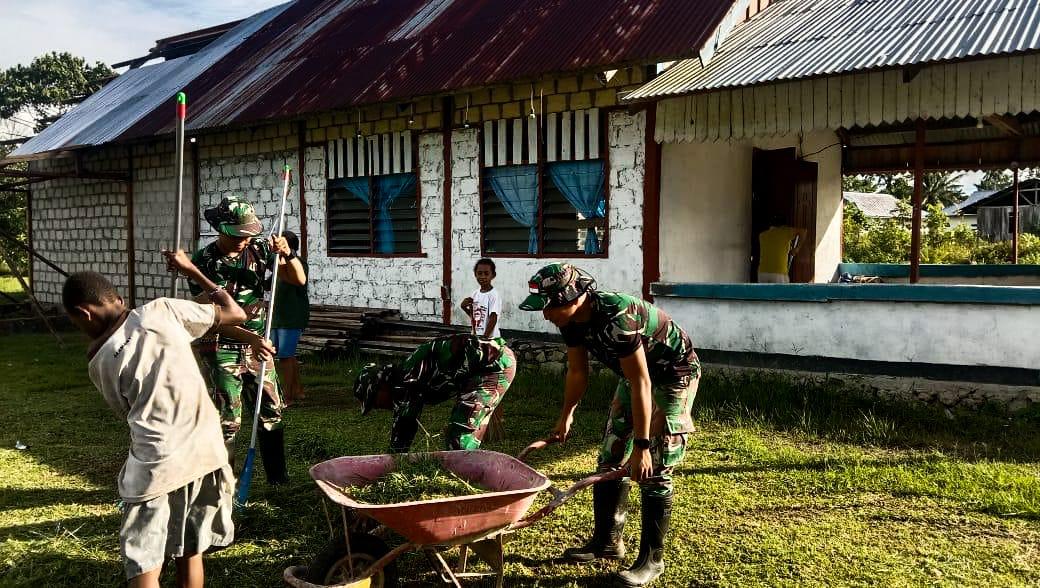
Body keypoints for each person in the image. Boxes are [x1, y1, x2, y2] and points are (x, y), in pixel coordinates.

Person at [61, 250, 245, 588]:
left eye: (76, 323)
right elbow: (236, 313)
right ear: (118, 298)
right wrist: (192, 271)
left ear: (85, 314)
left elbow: (125, 412)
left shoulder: (99, 360)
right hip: (207, 453)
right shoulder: (163, 310)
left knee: (143, 564)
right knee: (190, 551)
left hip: (157, 467)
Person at [519, 263, 700, 588]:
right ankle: (607, 543)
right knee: (610, 455)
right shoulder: (570, 320)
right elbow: (578, 371)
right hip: (635, 377)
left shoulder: (617, 317)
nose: (546, 315)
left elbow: (643, 383)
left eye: (550, 306)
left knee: (655, 468)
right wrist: (566, 415)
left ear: (574, 297)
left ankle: (652, 560)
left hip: (673, 375)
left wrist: (642, 446)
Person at [190, 196, 306, 485]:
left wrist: (288, 254)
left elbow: (298, 280)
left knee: (271, 412)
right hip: (220, 346)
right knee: (227, 420)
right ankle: (222, 484)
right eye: (238, 235)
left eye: (248, 234)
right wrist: (251, 339)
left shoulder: (260, 249)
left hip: (258, 347)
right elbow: (210, 315)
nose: (244, 240)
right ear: (220, 229)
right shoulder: (202, 262)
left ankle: (278, 479)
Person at [353, 334, 516, 453]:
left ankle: (463, 477)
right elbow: (404, 423)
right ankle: (464, 469)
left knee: (459, 434)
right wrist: (394, 459)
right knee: (460, 427)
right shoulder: (402, 383)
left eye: (374, 401)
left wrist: (393, 460)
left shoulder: (408, 377)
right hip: (477, 371)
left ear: (380, 387)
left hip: (493, 366)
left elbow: (404, 425)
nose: (377, 406)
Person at [271, 230, 309, 407]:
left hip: (292, 316)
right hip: (277, 317)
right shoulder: (278, 264)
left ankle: (287, 396)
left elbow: (296, 280)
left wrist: (281, 262)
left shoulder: (298, 263)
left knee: (285, 356)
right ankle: (298, 390)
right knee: (287, 356)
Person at [461, 258, 502, 340]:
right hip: (477, 336)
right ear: (475, 274)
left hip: (491, 338)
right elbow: (475, 317)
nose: (483, 277)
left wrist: (485, 337)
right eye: (479, 273)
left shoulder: (494, 295)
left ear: (493, 275)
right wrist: (464, 307)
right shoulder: (475, 294)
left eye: (486, 274)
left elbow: (493, 318)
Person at [756, 218, 806, 283]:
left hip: (762, 272)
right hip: (778, 272)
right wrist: (797, 249)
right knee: (782, 289)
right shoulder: (785, 232)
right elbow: (803, 231)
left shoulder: (762, 235)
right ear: (783, 226)